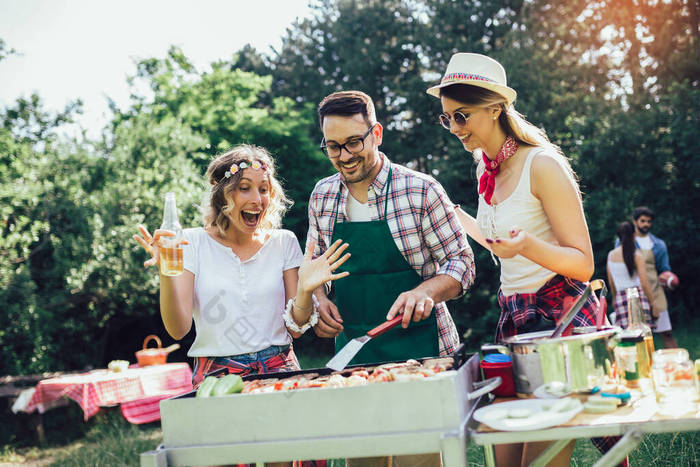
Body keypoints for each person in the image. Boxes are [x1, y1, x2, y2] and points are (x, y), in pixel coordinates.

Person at [427, 53, 619, 467]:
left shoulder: (542, 164)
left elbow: (583, 264)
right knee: (503, 456)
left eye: (462, 116)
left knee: (539, 459)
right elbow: (502, 244)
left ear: (495, 108)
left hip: (558, 324)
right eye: (447, 119)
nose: (455, 129)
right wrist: (455, 216)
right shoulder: (488, 168)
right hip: (515, 322)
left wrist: (528, 246)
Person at [307, 90, 475, 467]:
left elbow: (463, 263)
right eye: (333, 147)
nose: (345, 156)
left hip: (421, 354)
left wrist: (426, 290)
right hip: (354, 355)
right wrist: (320, 300)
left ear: (377, 133)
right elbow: (314, 267)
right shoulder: (321, 196)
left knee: (421, 459)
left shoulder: (421, 190)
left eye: (354, 142)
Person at [133, 144, 350, 388]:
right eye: (244, 189)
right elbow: (178, 330)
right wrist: (166, 271)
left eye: (264, 189)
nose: (257, 200)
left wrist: (305, 291)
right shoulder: (190, 242)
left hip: (280, 371)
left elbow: (297, 329)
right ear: (222, 195)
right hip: (216, 376)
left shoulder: (284, 242)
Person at [616, 206, 679, 348]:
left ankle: (677, 363)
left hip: (655, 293)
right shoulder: (624, 242)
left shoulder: (659, 245)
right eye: (643, 221)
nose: (646, 224)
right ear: (635, 221)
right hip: (634, 296)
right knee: (636, 337)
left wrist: (669, 280)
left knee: (667, 332)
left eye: (649, 222)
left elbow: (664, 269)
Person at [607, 221, 655, 326]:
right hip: (638, 297)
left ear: (618, 236)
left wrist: (615, 299)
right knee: (644, 336)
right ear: (634, 235)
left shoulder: (611, 255)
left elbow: (611, 283)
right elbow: (645, 283)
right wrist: (653, 304)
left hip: (620, 298)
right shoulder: (637, 255)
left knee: (626, 339)